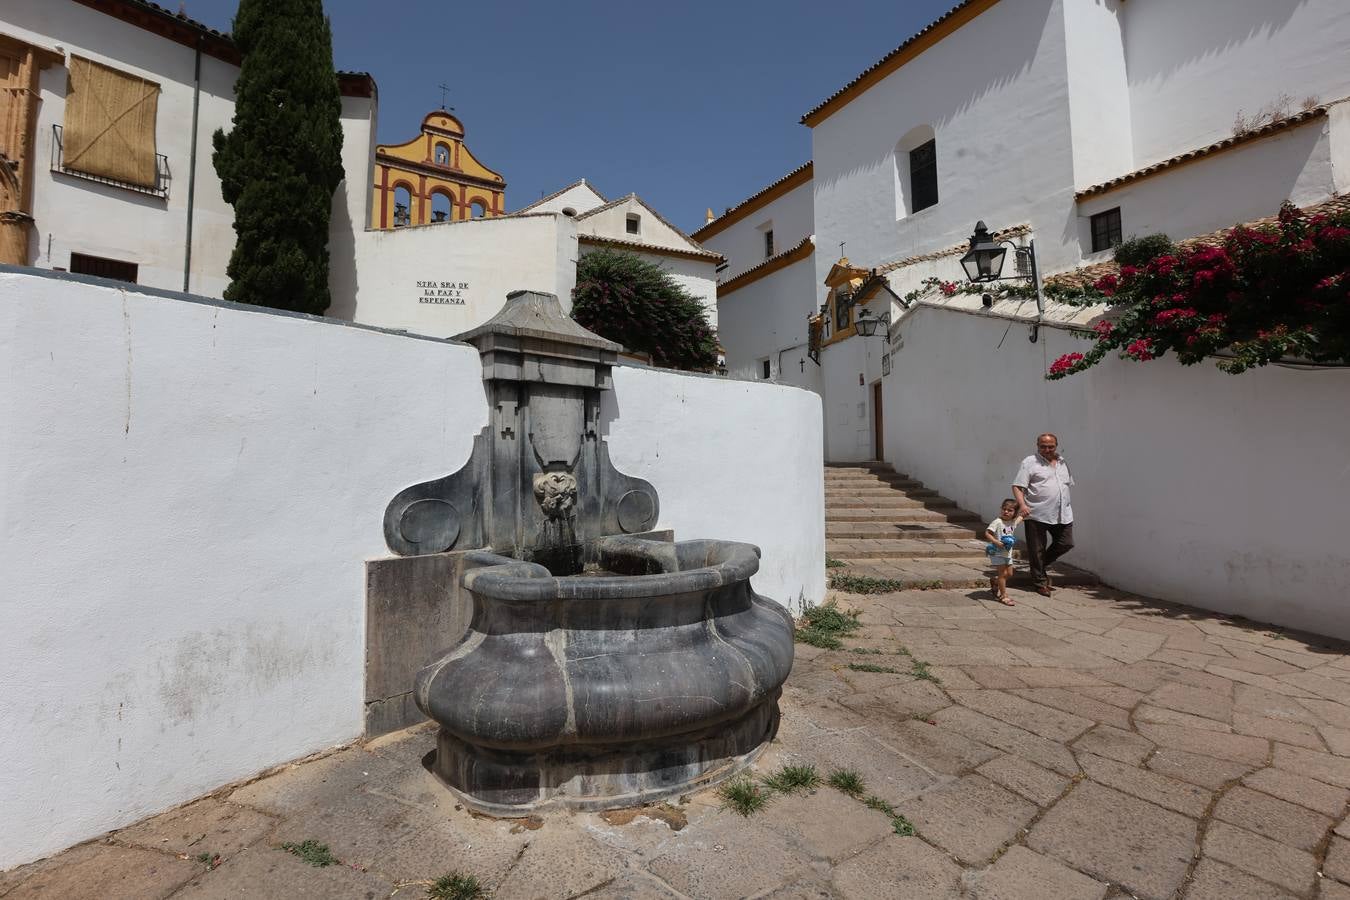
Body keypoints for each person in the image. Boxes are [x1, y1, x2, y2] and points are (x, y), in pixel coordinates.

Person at [1012, 433, 1074, 597]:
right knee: (1037, 550)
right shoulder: (1030, 462)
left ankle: (1037, 567)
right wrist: (1022, 505)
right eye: (1043, 446)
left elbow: (1066, 485)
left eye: (1051, 446)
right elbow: (1018, 486)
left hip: (1063, 513)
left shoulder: (1062, 462)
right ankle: (1039, 582)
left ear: (1056, 445)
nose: (1047, 449)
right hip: (1036, 513)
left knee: (1066, 543)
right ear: (1037, 445)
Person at [984, 498, 1021, 606]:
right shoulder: (997, 522)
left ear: (1014, 512)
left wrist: (1026, 509)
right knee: (1003, 574)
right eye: (1004, 509)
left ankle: (995, 582)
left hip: (1007, 553)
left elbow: (1021, 517)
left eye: (1010, 510)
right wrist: (995, 542)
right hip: (997, 552)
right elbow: (987, 533)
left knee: (1009, 574)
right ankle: (1003, 595)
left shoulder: (1012, 522)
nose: (1006, 512)